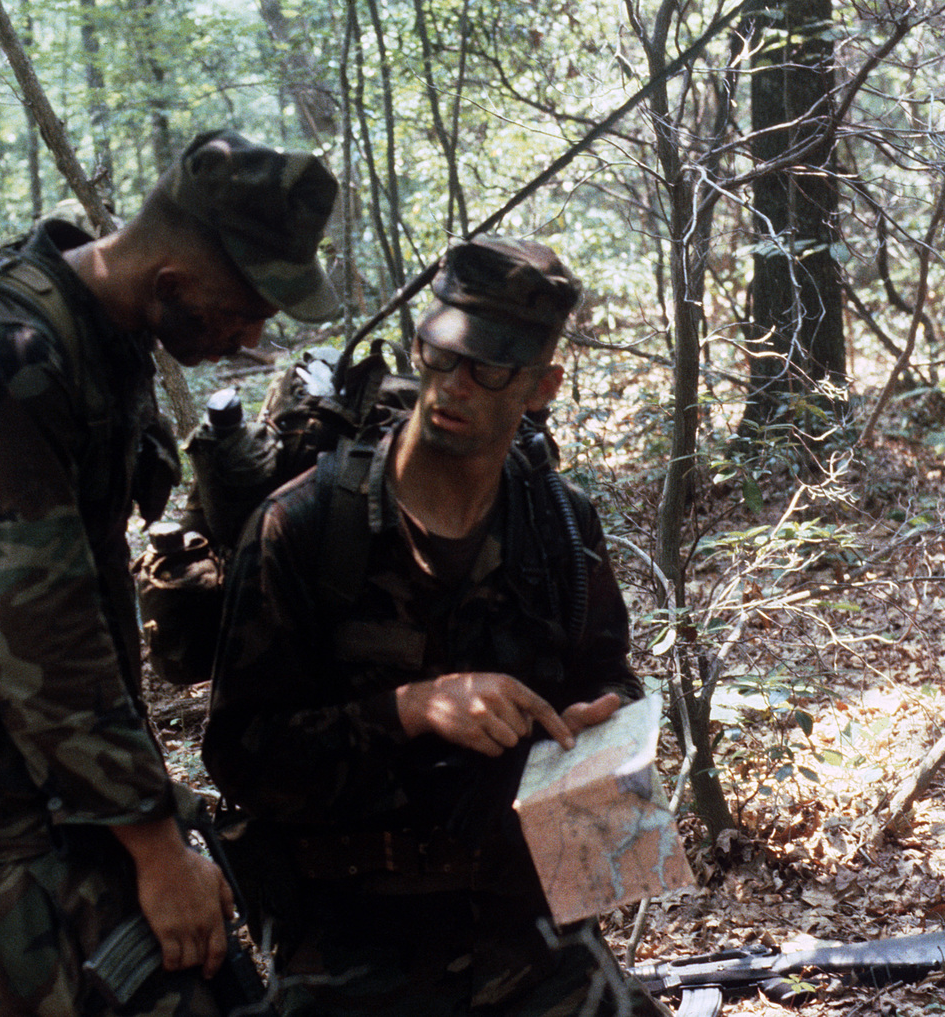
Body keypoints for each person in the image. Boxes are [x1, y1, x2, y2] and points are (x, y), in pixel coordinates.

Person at [0, 129, 339, 1017]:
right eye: (243, 307)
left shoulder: (99, 336)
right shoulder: (6, 356)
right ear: (170, 280)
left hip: (49, 792)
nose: (252, 335)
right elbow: (36, 638)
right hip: (7, 809)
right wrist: (157, 850)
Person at [203, 236, 669, 1016]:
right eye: (439, 356)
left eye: (488, 369)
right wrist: (409, 710)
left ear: (541, 385)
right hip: (349, 941)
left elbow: (608, 674)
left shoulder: (558, 525)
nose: (452, 385)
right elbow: (241, 757)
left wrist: (601, 721)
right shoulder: (305, 527)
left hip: (526, 929)